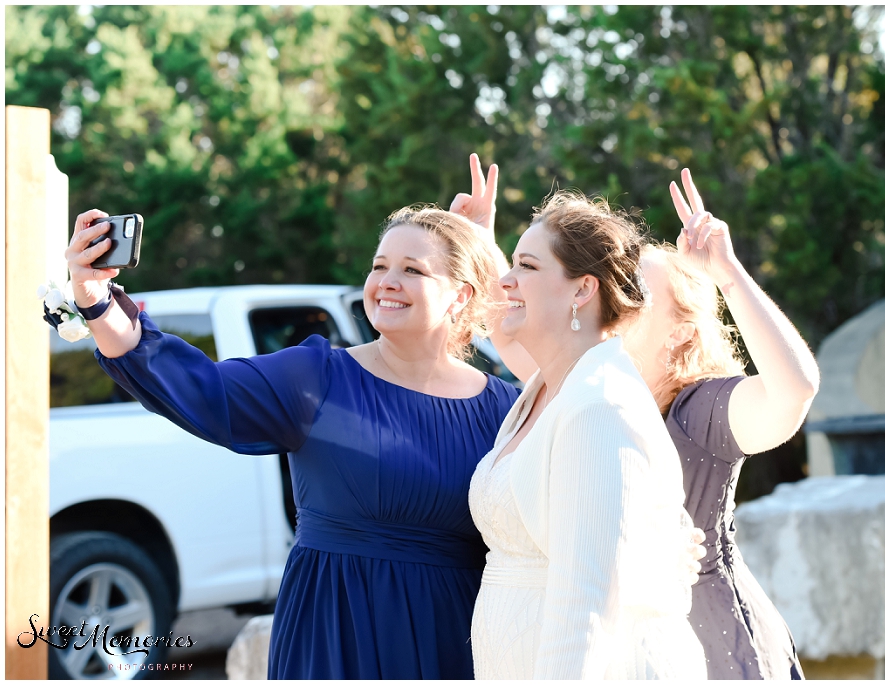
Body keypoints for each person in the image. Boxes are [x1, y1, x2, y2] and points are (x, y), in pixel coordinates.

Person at [65, 204, 520, 679]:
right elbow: (198, 387)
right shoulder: (317, 377)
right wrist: (96, 301)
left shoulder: (506, 410)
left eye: (412, 270)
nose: (386, 280)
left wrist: (494, 258)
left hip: (455, 637)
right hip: (334, 629)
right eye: (379, 266)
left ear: (461, 295)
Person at [464, 190, 708, 679]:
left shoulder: (601, 405)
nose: (506, 280)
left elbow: (588, 602)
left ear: (581, 290)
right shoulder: (543, 389)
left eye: (527, 267)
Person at [622, 169, 820, 679]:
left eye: (638, 290)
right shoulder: (603, 401)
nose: (622, 298)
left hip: (719, 647)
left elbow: (793, 391)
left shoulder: (699, 410)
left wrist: (727, 273)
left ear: (681, 332)